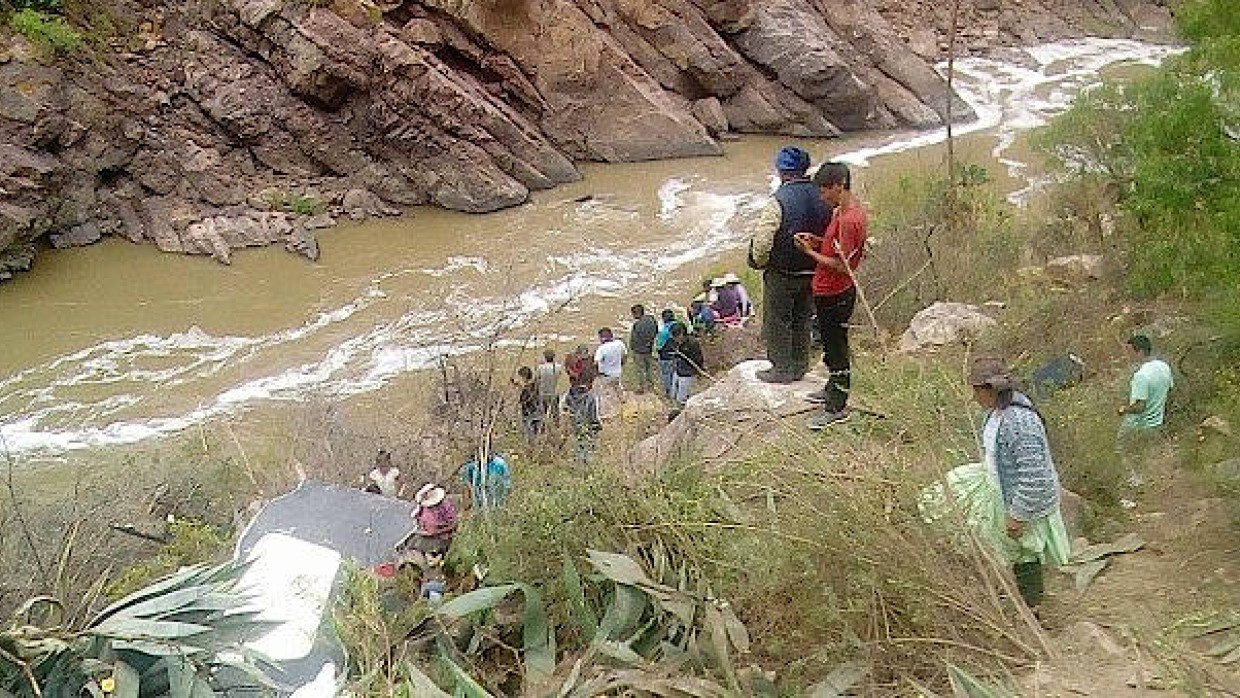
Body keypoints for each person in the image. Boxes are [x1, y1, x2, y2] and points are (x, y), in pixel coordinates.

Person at [919, 358, 1070, 610]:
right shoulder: (996, 414)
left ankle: (1032, 610)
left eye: (977, 391)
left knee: (1026, 555)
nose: (975, 397)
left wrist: (1018, 515)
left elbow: (1035, 475)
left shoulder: (1020, 422)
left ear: (989, 390)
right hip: (998, 489)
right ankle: (1012, 599)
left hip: (1021, 501)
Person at [794, 161, 868, 430]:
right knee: (830, 346)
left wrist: (809, 253)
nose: (822, 197)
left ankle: (836, 406)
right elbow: (835, 249)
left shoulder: (849, 220)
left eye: (825, 191)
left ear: (839, 186)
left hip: (835, 292)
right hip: (829, 289)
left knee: (837, 349)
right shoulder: (842, 212)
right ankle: (831, 389)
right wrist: (816, 241)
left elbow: (841, 263)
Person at [748, 146, 831, 384]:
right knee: (803, 318)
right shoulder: (823, 194)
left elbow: (763, 241)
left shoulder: (778, 200)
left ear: (782, 172)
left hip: (783, 272)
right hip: (813, 268)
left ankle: (781, 369)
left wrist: (760, 262)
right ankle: (799, 366)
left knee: (778, 320)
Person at [1116, 334, 1174, 495]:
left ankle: (1135, 483)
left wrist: (1123, 409)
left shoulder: (1141, 375)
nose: (1127, 355)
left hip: (1137, 424)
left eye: (1129, 351)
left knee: (1120, 450)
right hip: (1156, 422)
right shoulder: (1164, 367)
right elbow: (1169, 391)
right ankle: (1147, 483)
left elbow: (1140, 406)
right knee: (1143, 454)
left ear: (1139, 352)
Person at [397, 483, 459, 567]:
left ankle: (432, 558)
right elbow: (418, 520)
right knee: (409, 541)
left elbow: (454, 524)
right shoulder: (423, 508)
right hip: (424, 533)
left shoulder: (445, 507)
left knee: (421, 544)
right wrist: (421, 529)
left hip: (440, 536)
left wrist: (438, 531)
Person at [670, 323, 704, 416]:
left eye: (676, 336)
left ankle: (682, 414)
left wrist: (697, 371)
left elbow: (699, 360)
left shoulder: (692, 344)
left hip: (688, 374)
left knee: (682, 398)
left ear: (682, 334)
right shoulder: (675, 342)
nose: (675, 339)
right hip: (678, 371)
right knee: (673, 394)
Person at [564, 381, 601, 464]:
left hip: (574, 432)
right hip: (586, 431)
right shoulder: (591, 397)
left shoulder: (567, 397)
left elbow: (566, 415)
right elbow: (593, 419)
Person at [628, 305, 659, 394]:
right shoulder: (651, 319)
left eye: (633, 314)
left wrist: (633, 349)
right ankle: (650, 385)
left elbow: (633, 340)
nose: (633, 316)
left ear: (636, 313)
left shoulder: (637, 325)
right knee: (649, 368)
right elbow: (656, 331)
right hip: (649, 349)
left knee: (640, 370)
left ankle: (641, 387)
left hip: (639, 351)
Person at [655, 309, 681, 398]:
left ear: (663, 319)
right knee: (675, 372)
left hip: (665, 356)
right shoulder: (679, 326)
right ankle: (677, 389)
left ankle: (668, 391)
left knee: (666, 374)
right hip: (678, 355)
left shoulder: (663, 332)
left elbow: (659, 347)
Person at [515, 366, 542, 443]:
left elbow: (523, 400)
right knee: (537, 436)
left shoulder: (527, 388)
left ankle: (531, 452)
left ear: (524, 377)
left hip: (528, 415)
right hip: (537, 413)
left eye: (520, 377)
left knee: (530, 438)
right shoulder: (535, 385)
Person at [536, 349, 561, 427]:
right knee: (555, 414)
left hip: (543, 393)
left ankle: (542, 429)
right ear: (553, 357)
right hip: (554, 393)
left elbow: (537, 379)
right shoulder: (558, 367)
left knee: (543, 414)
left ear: (544, 357)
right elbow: (559, 376)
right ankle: (556, 427)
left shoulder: (540, 367)